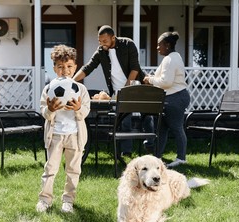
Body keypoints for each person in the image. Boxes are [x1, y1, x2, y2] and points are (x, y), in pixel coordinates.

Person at [73, 25, 153, 156]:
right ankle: (126, 152)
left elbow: (135, 68)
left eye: (105, 41)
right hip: (117, 92)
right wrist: (72, 81)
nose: (102, 44)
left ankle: (151, 146)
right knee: (124, 121)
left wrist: (127, 88)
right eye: (100, 41)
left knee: (147, 116)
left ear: (113, 38)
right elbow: (88, 67)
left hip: (136, 86)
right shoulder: (101, 51)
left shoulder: (128, 44)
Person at [36, 45, 91, 213]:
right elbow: (44, 111)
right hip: (55, 136)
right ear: (54, 69)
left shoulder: (80, 89)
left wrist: (78, 108)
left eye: (69, 66)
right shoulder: (49, 89)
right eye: (60, 67)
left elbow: (85, 111)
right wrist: (51, 109)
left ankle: (68, 200)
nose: (65, 70)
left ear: (75, 67)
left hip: (75, 135)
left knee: (73, 170)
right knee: (50, 168)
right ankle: (45, 200)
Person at [143, 31, 191, 168]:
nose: (157, 48)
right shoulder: (173, 57)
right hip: (171, 97)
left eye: (160, 45)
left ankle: (181, 158)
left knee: (176, 127)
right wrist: (152, 78)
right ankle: (157, 158)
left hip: (175, 97)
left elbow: (166, 82)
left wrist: (150, 79)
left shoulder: (170, 59)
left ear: (168, 45)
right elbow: (165, 78)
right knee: (161, 129)